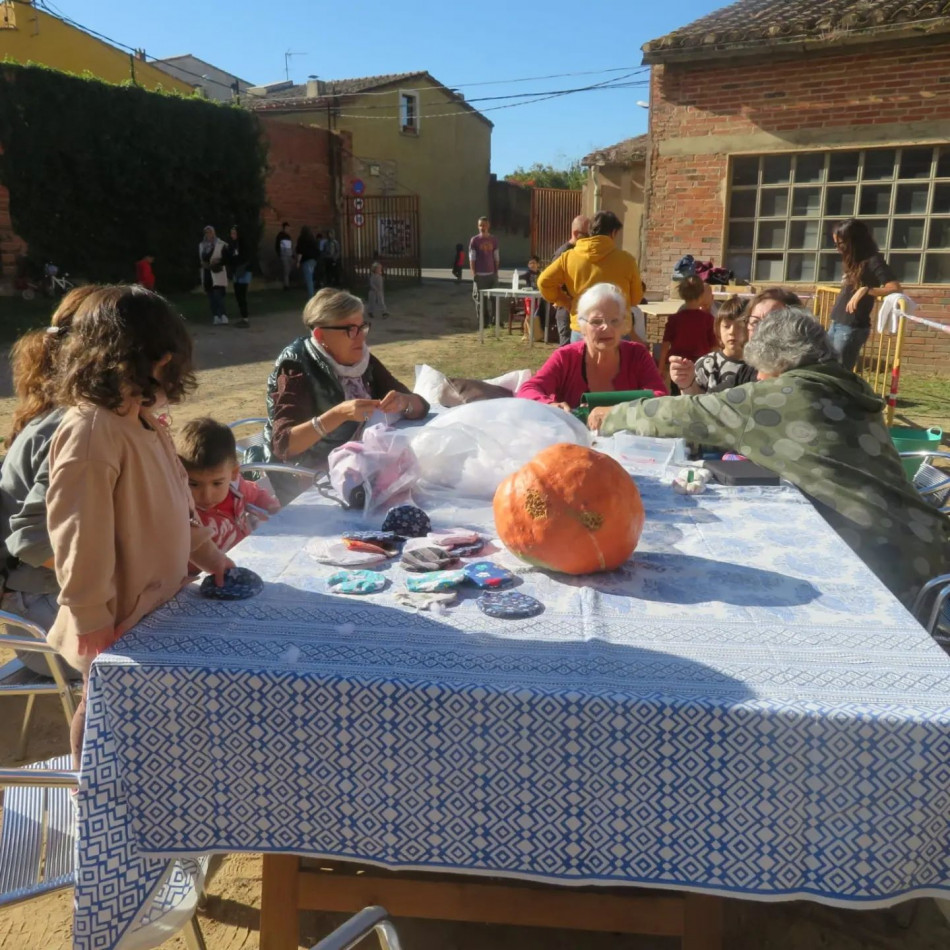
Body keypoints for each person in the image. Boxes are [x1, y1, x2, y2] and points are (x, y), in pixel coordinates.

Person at [590, 308, 949, 608]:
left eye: (763, 369)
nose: (759, 378)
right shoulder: (847, 387)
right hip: (928, 548)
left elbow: (685, 413)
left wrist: (615, 415)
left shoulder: (784, 395)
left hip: (890, 576)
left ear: (783, 362)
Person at [45, 285, 232, 765]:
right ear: (157, 359)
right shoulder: (92, 431)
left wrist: (210, 556)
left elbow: (175, 507)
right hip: (112, 622)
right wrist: (90, 612)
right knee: (104, 714)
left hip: (153, 611)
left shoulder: (146, 421)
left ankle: (142, 791)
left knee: (145, 727)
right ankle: (95, 795)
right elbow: (77, 530)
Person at [0, 287, 97, 679]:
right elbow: (30, 539)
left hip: (47, 602)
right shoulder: (69, 427)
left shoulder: (67, 419)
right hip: (42, 619)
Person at [263, 288, 429, 496]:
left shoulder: (361, 361)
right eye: (350, 330)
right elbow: (284, 445)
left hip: (357, 468)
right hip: (306, 479)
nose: (360, 338)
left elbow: (421, 406)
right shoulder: (295, 367)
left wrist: (404, 402)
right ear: (320, 334)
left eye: (362, 328)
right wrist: (339, 414)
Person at [517, 283, 666, 411]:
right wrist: (549, 405)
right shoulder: (566, 357)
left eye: (614, 321)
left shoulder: (637, 355)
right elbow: (528, 390)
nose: (606, 328)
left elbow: (660, 397)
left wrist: (614, 412)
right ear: (582, 327)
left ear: (623, 325)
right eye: (596, 322)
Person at [537, 210, 643, 344]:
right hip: (616, 330)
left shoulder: (569, 257)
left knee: (581, 365)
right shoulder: (627, 260)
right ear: (613, 233)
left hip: (582, 328)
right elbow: (635, 298)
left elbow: (543, 282)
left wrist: (564, 301)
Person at [178, 418, 280, 554]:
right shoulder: (182, 512)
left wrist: (273, 509)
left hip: (248, 555)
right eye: (194, 484)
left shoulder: (236, 488)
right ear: (180, 476)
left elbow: (257, 494)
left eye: (217, 483)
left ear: (233, 473)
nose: (207, 496)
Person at [829, 219, 901, 372]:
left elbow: (894, 288)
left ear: (855, 241)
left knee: (840, 373)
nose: (837, 248)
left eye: (840, 244)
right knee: (828, 368)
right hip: (838, 322)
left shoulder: (874, 260)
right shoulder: (855, 260)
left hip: (851, 328)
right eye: (835, 244)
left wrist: (867, 290)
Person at [670, 294, 752, 394]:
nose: (732, 332)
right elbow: (693, 402)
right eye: (726, 326)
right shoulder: (707, 365)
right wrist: (686, 383)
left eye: (739, 326)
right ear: (718, 329)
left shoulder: (760, 366)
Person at [658, 275, 718, 386]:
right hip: (701, 365)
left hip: (678, 365)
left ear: (681, 294)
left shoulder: (674, 319)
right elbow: (713, 347)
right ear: (701, 295)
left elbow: (665, 345)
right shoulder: (708, 319)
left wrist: (661, 368)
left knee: (677, 394)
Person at [549, 215, 591, 345]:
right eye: (586, 234)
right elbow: (552, 281)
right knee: (567, 350)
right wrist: (565, 301)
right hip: (566, 310)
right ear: (575, 233)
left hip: (579, 309)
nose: (590, 237)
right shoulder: (564, 253)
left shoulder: (584, 250)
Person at [469, 216, 499, 328]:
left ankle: (495, 320)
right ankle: (483, 322)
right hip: (480, 275)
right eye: (480, 225)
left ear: (488, 226)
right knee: (481, 301)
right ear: (478, 226)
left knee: (495, 298)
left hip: (491, 274)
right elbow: (472, 258)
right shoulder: (475, 240)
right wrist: (474, 274)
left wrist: (496, 272)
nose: (483, 227)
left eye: (484, 225)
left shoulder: (493, 240)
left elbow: (496, 256)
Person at [199, 225, 229, 325]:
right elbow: (201, 258)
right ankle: (215, 316)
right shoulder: (202, 245)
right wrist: (203, 264)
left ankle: (223, 315)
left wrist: (218, 261)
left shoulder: (221, 244)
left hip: (217, 272)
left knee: (218, 295)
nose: (208, 234)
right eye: (206, 233)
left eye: (210, 232)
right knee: (211, 296)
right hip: (207, 272)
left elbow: (226, 258)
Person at [226, 225, 252, 328]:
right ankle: (243, 316)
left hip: (244, 271)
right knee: (238, 294)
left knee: (242, 294)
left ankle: (245, 318)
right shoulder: (233, 245)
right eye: (231, 233)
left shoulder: (243, 244)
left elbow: (244, 257)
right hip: (237, 272)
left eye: (234, 233)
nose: (232, 235)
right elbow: (231, 258)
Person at [296, 226, 321, 300]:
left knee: (308, 279)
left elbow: (300, 251)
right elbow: (317, 250)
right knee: (311, 278)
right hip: (313, 260)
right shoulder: (312, 239)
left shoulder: (301, 239)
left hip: (306, 260)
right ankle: (312, 295)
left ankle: (311, 297)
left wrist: (298, 262)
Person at [275, 222, 294, 290]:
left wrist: (292, 255)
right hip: (284, 255)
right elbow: (277, 245)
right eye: (287, 228)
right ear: (284, 228)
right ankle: (286, 285)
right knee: (286, 269)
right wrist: (279, 254)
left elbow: (290, 246)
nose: (288, 229)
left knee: (289, 268)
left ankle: (287, 281)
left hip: (289, 255)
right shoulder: (280, 236)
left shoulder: (288, 237)